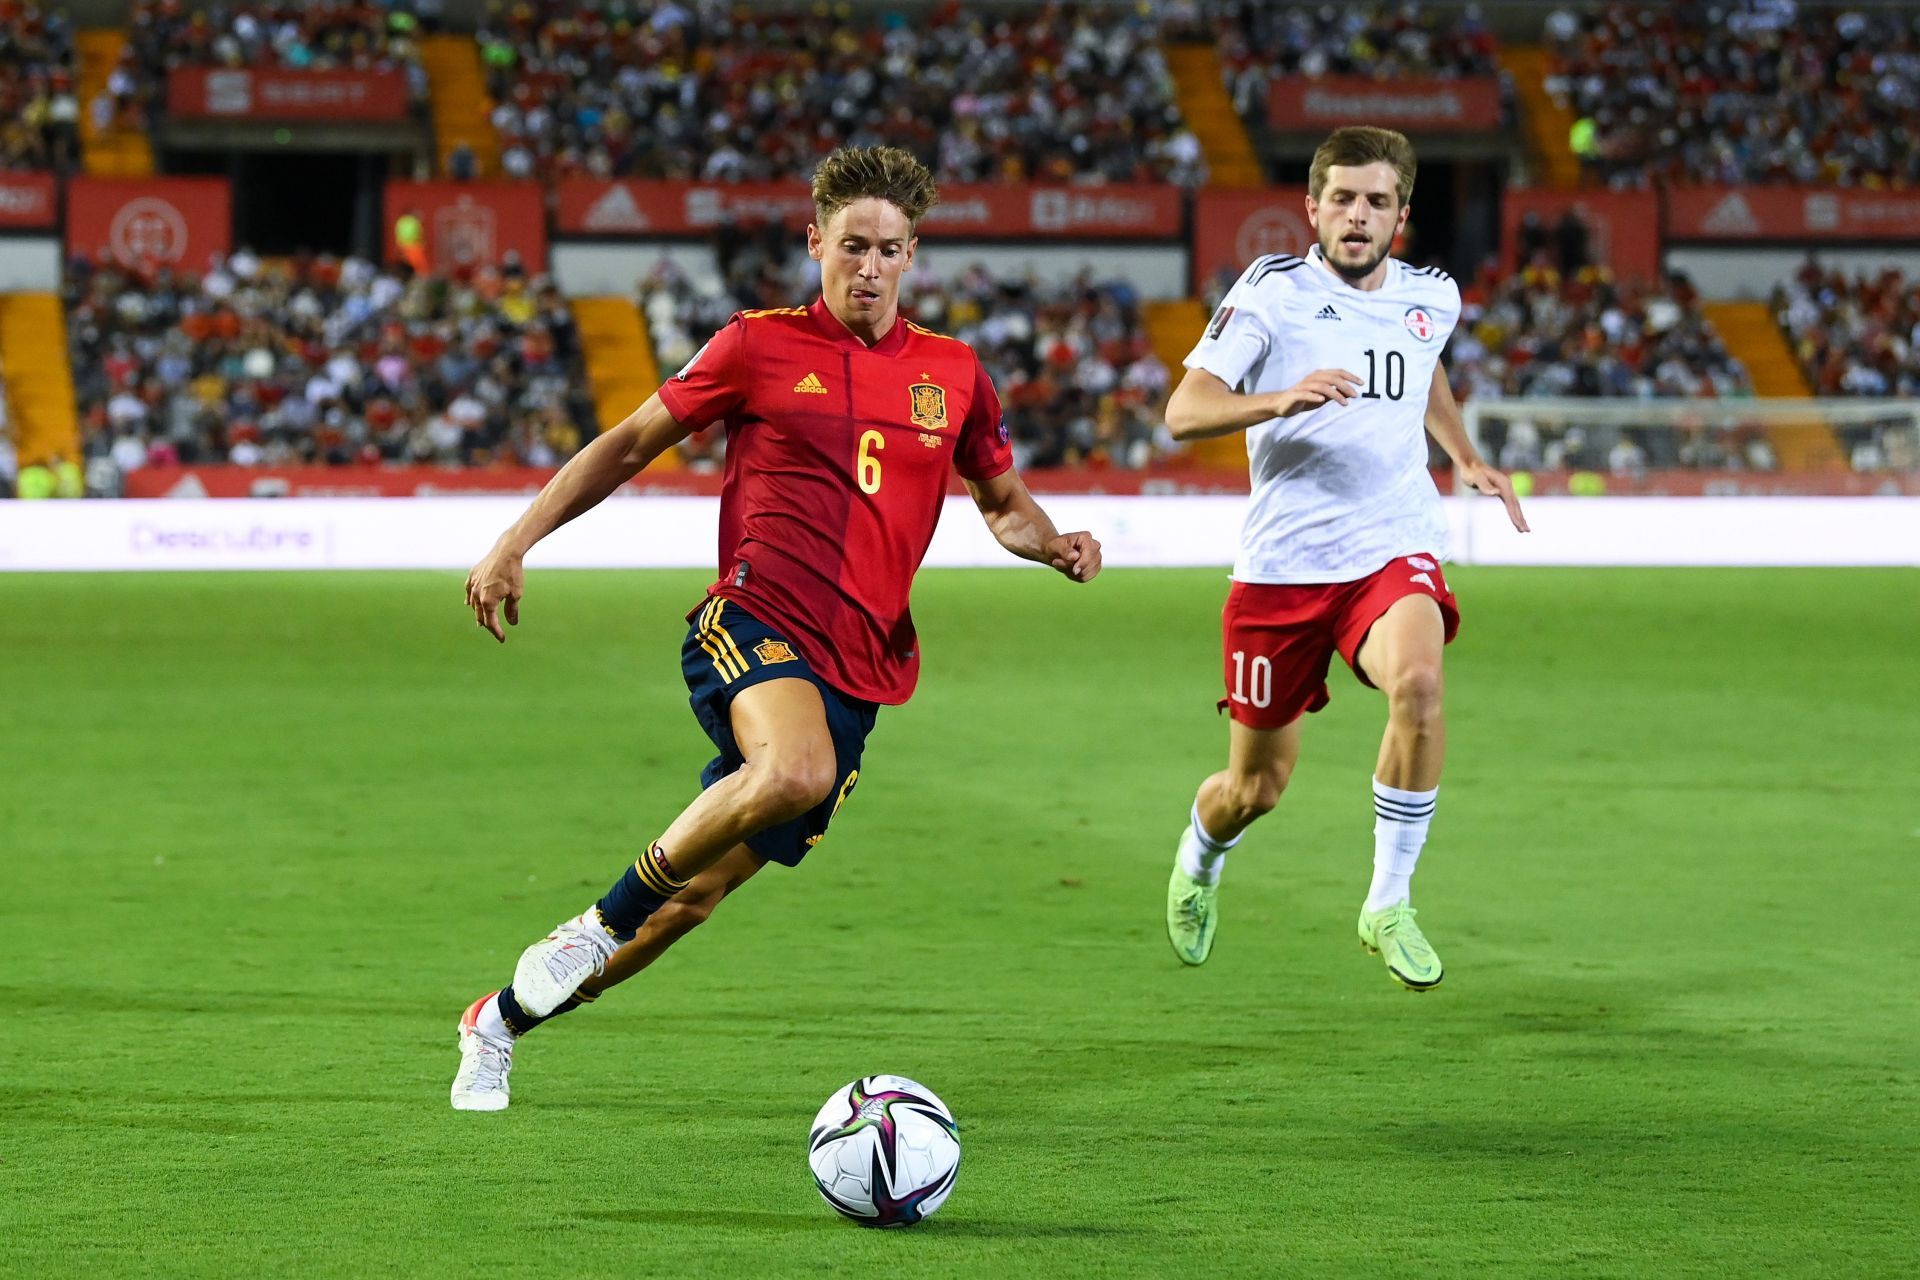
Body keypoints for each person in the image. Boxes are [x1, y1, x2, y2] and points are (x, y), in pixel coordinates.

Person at [451, 146, 1102, 1110]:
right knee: (790, 771)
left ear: (913, 253)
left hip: (862, 670)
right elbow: (631, 442)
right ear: (815, 243)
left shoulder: (955, 374)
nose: (868, 267)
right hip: (754, 618)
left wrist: (1050, 543)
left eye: (887, 249)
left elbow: (1001, 501)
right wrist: (515, 539)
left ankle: (497, 1022)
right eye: (851, 247)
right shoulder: (756, 345)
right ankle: (594, 924)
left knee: (694, 903)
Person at [1160, 126, 1527, 991]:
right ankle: (1201, 858)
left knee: (1421, 686)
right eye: (1342, 199)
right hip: (1282, 569)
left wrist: (1463, 454)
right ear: (1312, 208)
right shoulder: (1272, 294)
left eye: (1376, 201)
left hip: (1391, 545)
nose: (1357, 215)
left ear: (1402, 215)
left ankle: (1388, 902)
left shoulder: (1434, 295)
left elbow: (1424, 364)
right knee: (1255, 788)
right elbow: (1186, 411)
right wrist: (1280, 398)